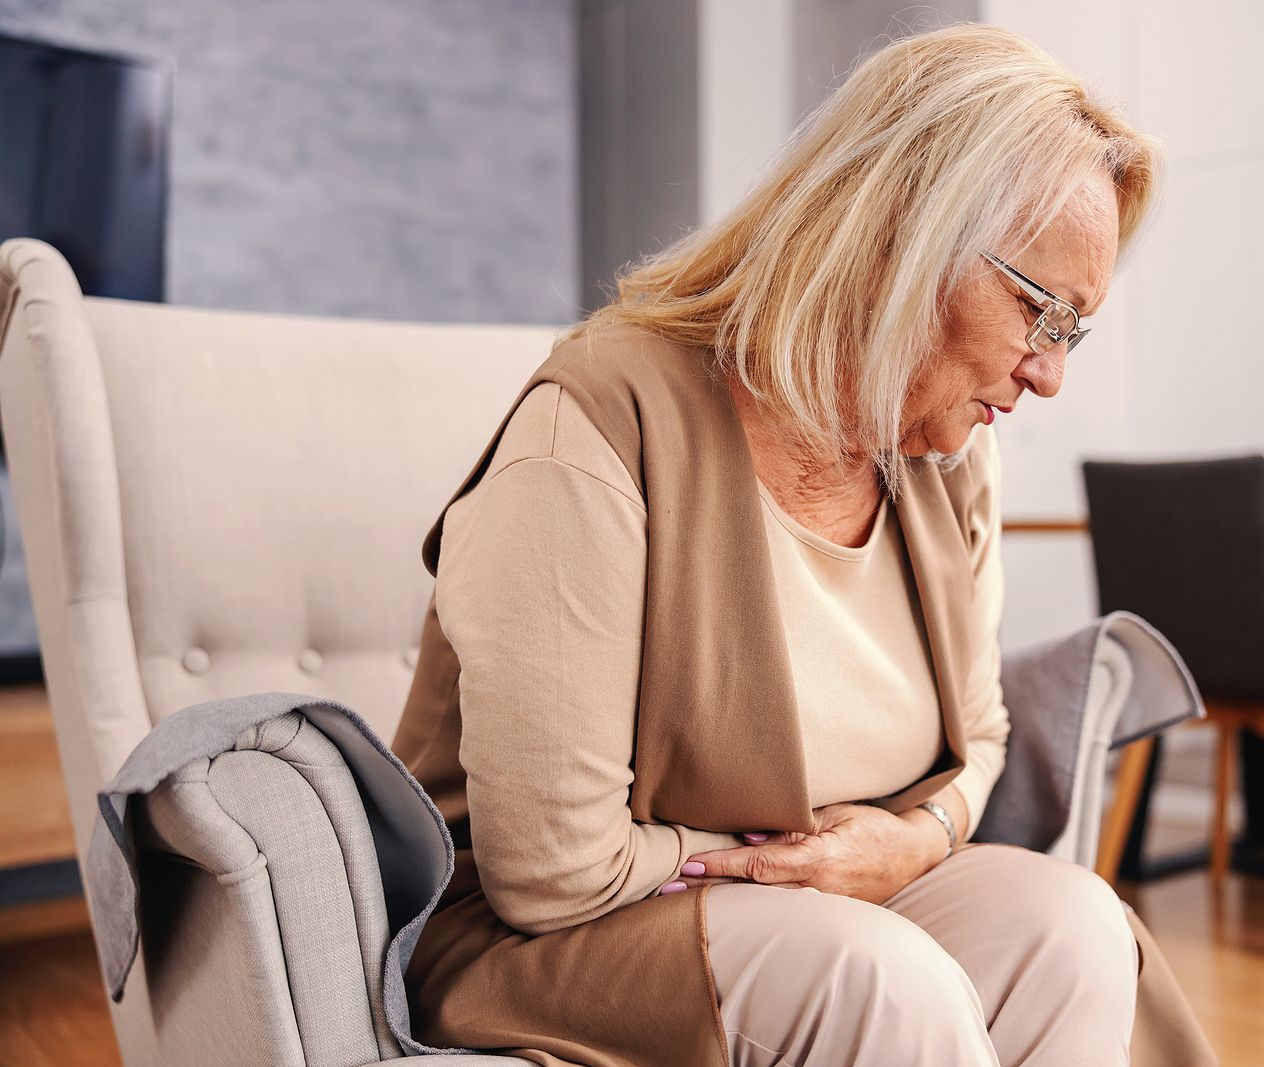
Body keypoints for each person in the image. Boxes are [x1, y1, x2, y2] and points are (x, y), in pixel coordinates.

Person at [391, 22, 1215, 1066]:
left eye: (1072, 331)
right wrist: (796, 861)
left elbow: (983, 738)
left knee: (1076, 925)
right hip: (545, 939)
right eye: (1038, 311)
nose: (1048, 374)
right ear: (901, 234)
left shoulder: (949, 454)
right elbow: (552, 873)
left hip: (819, 910)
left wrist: (909, 843)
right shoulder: (599, 426)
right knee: (882, 979)